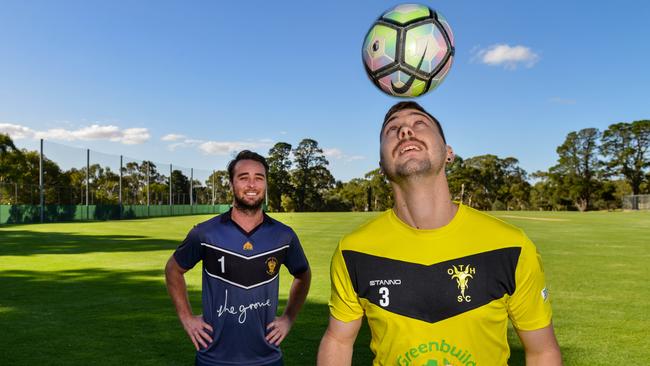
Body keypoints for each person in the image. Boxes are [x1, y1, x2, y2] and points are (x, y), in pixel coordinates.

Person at [317, 102, 561, 366]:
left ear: (448, 153)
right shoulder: (354, 251)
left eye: (419, 124)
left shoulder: (511, 246)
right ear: (381, 165)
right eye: (392, 129)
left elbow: (542, 351)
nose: (405, 131)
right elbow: (338, 341)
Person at [165, 150, 311, 366]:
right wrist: (186, 317)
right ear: (231, 184)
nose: (252, 185)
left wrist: (288, 318)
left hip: (267, 358)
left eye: (258, 178)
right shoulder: (205, 233)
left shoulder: (284, 236)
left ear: (266, 184)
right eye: (244, 178)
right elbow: (173, 270)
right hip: (213, 358)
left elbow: (303, 274)